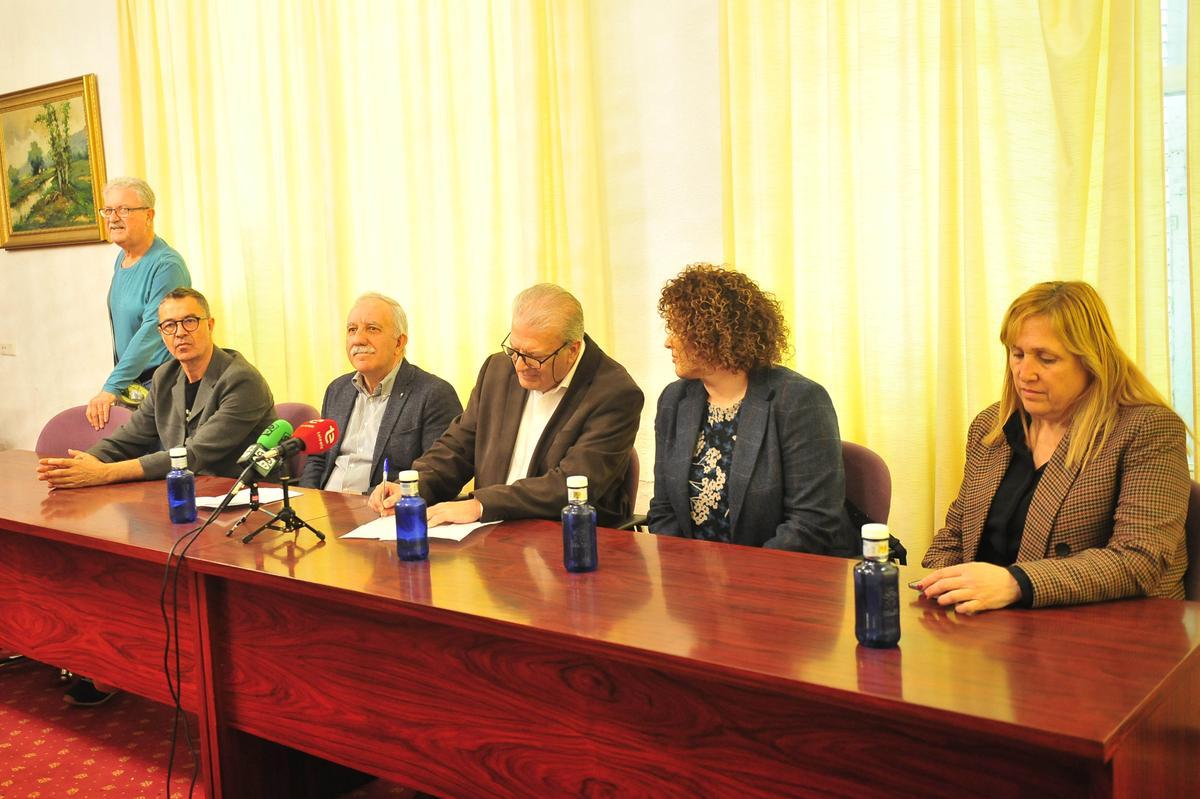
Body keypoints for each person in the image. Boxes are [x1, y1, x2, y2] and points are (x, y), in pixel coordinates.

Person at [919, 281, 1190, 613]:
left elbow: (1139, 559)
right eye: (1017, 354)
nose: (1024, 373)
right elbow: (957, 535)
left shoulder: (1147, 430)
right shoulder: (992, 427)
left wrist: (1016, 583)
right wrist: (936, 584)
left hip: (1109, 633)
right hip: (993, 629)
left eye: (1046, 359)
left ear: (1091, 361)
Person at [369, 283, 643, 528]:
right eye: (514, 349)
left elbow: (570, 484)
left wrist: (481, 505)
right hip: (492, 533)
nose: (520, 366)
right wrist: (413, 486)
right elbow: (459, 447)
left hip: (566, 537)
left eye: (533, 357)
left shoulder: (615, 393)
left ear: (572, 349)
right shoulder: (498, 370)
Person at [645, 264, 856, 555]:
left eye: (678, 329)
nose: (668, 342)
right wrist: (686, 570)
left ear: (714, 333)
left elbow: (811, 524)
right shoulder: (674, 400)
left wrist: (740, 578)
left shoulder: (799, 400)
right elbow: (663, 509)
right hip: (695, 579)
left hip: (779, 576)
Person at [38, 287, 276, 489]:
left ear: (210, 325)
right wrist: (82, 463)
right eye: (170, 326)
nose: (180, 332)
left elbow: (193, 455)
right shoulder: (166, 376)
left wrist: (104, 473)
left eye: (190, 321)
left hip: (242, 495)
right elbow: (129, 438)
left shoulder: (241, 380)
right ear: (162, 334)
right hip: (185, 491)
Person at [300, 292, 462, 493]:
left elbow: (440, 473)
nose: (358, 339)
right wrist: (306, 499)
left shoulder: (433, 393)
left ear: (399, 343)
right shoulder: (337, 390)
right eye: (352, 329)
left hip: (381, 510)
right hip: (326, 507)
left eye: (372, 329)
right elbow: (318, 459)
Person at [87, 177, 191, 431]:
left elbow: (151, 330)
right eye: (108, 210)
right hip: (133, 386)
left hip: (163, 385)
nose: (113, 218)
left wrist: (112, 386)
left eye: (123, 209)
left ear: (149, 215)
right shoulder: (122, 259)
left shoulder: (166, 265)